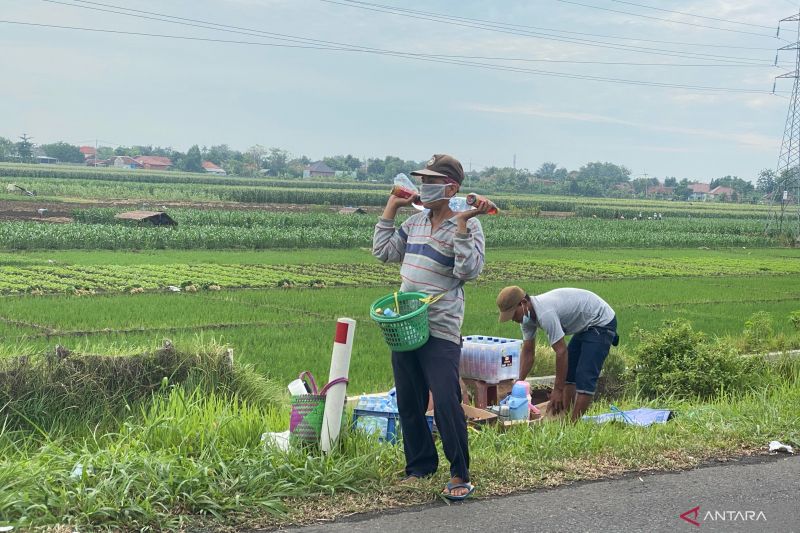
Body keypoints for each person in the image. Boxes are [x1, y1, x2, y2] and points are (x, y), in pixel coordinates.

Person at [373, 154, 490, 500]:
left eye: (431, 181)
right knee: (409, 399)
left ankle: (459, 473)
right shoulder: (415, 224)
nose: (423, 187)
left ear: (451, 187)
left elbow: (468, 272)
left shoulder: (466, 225)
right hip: (406, 324)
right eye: (421, 181)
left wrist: (465, 223)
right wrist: (391, 208)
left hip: (439, 328)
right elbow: (384, 252)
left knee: (445, 400)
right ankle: (420, 466)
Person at [495, 286, 619, 421]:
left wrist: (557, 390)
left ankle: (573, 427)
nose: (513, 319)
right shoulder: (526, 318)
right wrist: (518, 383)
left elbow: (561, 351)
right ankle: (566, 418)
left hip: (600, 320)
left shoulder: (545, 313)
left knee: (585, 375)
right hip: (585, 325)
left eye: (513, 314)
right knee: (568, 374)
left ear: (523, 303)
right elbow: (528, 352)